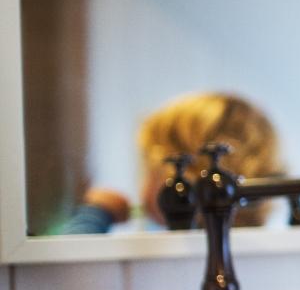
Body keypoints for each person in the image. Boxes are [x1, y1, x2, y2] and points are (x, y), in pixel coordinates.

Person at [60, 91, 284, 233]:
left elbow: (63, 275)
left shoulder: (174, 250)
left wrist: (96, 213)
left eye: (148, 169)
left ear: (175, 175)